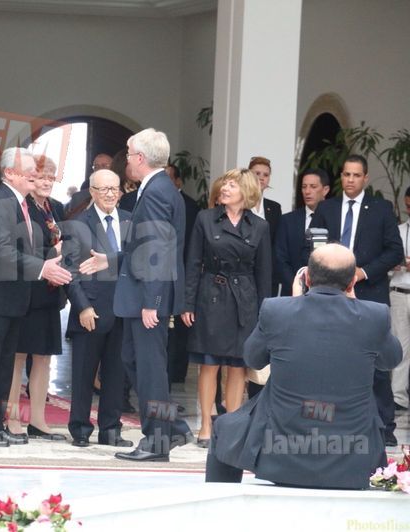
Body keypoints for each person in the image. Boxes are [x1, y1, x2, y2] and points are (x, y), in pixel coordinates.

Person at [206, 244, 402, 489]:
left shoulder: (277, 310)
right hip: (353, 460)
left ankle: (222, 507)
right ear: (352, 282)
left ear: (307, 278)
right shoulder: (374, 315)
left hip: (279, 457)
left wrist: (294, 301)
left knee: (223, 428)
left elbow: (253, 359)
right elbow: (390, 360)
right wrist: (356, 303)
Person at [81, 128, 192, 461]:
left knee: (149, 369)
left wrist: (151, 302)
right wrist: (111, 260)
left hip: (148, 298)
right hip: (142, 293)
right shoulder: (158, 187)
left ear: (140, 158)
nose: (126, 160)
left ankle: (157, 440)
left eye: (129, 153)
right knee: (133, 360)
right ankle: (173, 428)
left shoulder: (156, 191)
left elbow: (158, 252)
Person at [0, 147, 71, 447]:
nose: (35, 175)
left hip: (11, 300)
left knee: (2, 368)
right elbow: (2, 250)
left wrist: (48, 259)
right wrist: (43, 268)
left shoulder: (19, 203)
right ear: (9, 173)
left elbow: (23, 250)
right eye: (29, 171)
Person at [309, 154, 404, 446]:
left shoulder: (381, 209)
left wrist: (363, 272)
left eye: (356, 175)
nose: (350, 180)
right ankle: (329, 424)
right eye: (346, 174)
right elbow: (313, 246)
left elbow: (394, 251)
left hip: (369, 293)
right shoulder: (326, 207)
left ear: (365, 178)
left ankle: (384, 428)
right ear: (341, 177)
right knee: (329, 359)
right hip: (330, 293)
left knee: (376, 364)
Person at [181, 169, 272, 448]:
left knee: (237, 366)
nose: (224, 188)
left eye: (232, 185)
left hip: (244, 301)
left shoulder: (259, 226)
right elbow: (193, 262)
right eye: (224, 184)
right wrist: (187, 302)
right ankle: (206, 425)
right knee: (209, 365)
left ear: (246, 191)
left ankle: (230, 426)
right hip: (211, 296)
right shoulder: (205, 218)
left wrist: (265, 314)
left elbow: (264, 274)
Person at [64, 169, 132, 448]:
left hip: (123, 309)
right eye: (104, 189)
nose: (110, 194)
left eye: (115, 189)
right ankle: (80, 429)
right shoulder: (77, 224)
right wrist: (82, 307)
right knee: (83, 373)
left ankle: (111, 430)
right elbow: (70, 272)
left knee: (116, 375)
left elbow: (137, 259)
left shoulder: (129, 221)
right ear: (92, 192)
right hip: (91, 310)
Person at [6, 156, 67, 441]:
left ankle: (39, 421)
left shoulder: (56, 208)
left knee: (43, 357)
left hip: (50, 292)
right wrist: (53, 254)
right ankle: (12, 418)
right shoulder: (23, 207)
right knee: (17, 357)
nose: (46, 182)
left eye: (51, 177)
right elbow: (20, 249)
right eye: (41, 176)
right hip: (26, 290)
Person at [165, 162, 200, 388]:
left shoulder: (191, 205)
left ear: (178, 181)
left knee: (180, 324)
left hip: (183, 269)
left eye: (168, 177)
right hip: (158, 270)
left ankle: (177, 371)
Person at [274, 168, 330, 295]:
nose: (307, 191)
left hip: (325, 292)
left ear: (325, 190)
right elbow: (280, 258)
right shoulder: (287, 220)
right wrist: (296, 284)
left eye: (313, 187)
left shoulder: (334, 220)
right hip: (292, 291)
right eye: (304, 187)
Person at [389, 186, 410, 414]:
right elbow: (388, 259)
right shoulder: (398, 230)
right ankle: (398, 397)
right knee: (401, 345)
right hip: (398, 290)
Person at [66, 153, 112, 217]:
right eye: (96, 166)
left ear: (114, 169)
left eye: (104, 166)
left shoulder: (121, 196)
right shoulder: (78, 198)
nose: (99, 169)